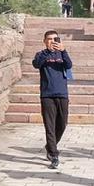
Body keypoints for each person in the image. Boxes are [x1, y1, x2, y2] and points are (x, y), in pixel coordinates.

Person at [31, 30, 72, 169]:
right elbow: (36, 64)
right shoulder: (41, 54)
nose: (52, 41)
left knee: (62, 124)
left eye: (55, 39)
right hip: (47, 95)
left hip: (62, 94)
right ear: (44, 41)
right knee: (50, 127)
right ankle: (54, 155)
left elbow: (69, 65)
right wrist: (48, 52)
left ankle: (50, 145)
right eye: (49, 39)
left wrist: (64, 50)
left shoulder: (62, 53)